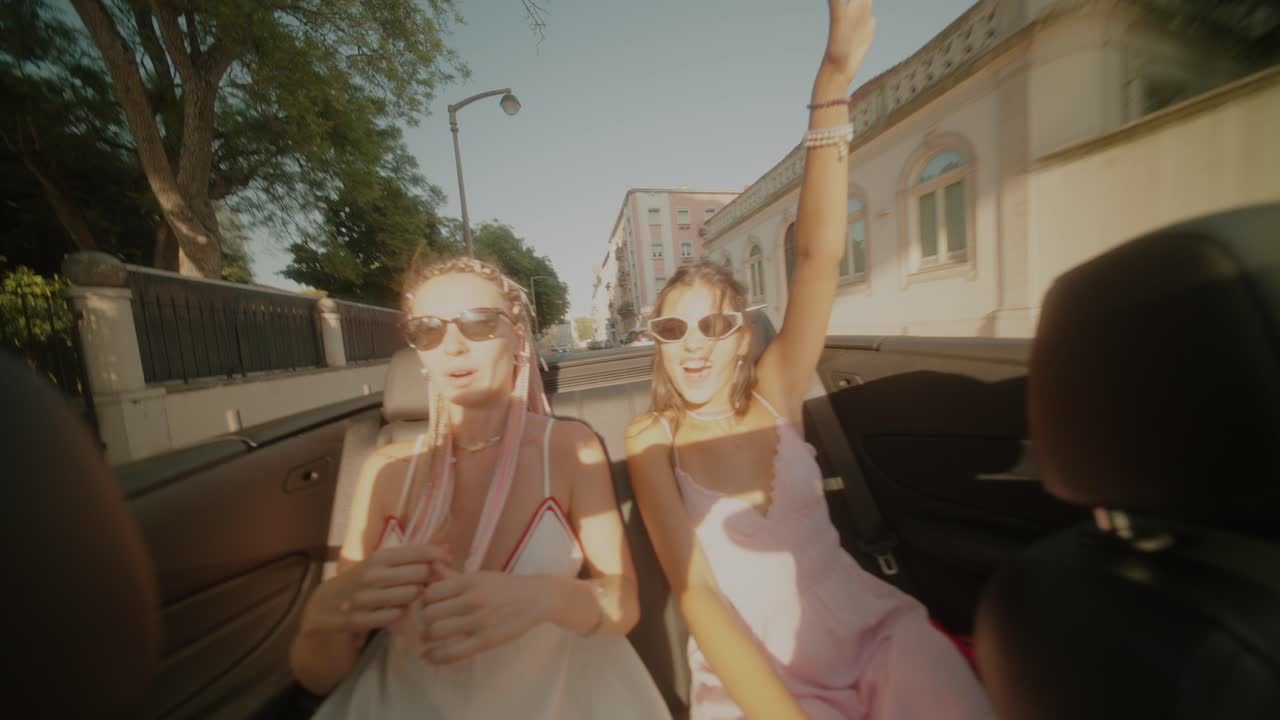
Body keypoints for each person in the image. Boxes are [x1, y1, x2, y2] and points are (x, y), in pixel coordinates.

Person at [624, 2, 994, 718]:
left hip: (873, 633)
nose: (694, 341)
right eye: (674, 327)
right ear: (659, 343)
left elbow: (819, 255)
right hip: (750, 677)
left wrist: (833, 79)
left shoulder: (777, 389)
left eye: (714, 323)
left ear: (741, 339)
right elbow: (697, 592)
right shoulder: (653, 441)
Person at [291, 256, 670, 719]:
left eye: (478, 323)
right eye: (429, 329)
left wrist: (542, 598)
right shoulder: (385, 471)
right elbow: (320, 675)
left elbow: (624, 604)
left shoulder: (570, 450)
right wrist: (319, 618)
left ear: (517, 338)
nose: (452, 345)